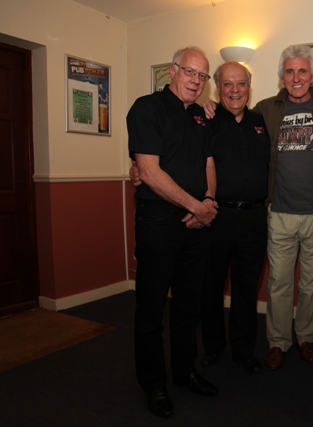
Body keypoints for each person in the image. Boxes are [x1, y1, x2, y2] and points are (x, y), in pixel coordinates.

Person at [127, 46, 219, 419]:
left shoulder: (201, 115)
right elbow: (148, 171)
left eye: (202, 75)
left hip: (196, 226)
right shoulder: (146, 109)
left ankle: (184, 371)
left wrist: (208, 201)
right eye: (190, 71)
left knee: (188, 305)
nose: (196, 81)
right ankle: (153, 383)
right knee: (151, 309)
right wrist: (197, 207)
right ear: (173, 70)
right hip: (159, 223)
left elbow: (208, 163)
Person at [252, 45, 313, 370]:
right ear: (282, 75)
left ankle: (306, 337)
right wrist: (209, 106)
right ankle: (278, 341)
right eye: (289, 71)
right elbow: (233, 124)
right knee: (278, 282)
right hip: (280, 212)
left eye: (302, 71)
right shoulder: (265, 109)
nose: (296, 78)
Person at [199, 61, 270, 375]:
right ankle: (213, 347)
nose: (235, 90)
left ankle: (243, 351)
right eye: (227, 84)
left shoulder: (260, 121)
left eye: (241, 83)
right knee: (211, 285)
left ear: (249, 87)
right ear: (217, 88)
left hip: (254, 219)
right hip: (217, 218)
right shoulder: (207, 119)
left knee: (247, 288)